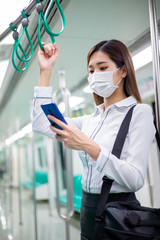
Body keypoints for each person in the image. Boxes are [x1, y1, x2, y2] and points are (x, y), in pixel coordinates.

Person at [32, 39, 156, 240]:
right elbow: (40, 123)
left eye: (102, 67)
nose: (95, 75)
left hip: (117, 212)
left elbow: (135, 179)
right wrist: (45, 71)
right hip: (88, 210)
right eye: (91, 71)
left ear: (123, 71)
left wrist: (89, 146)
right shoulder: (90, 120)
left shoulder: (139, 113)